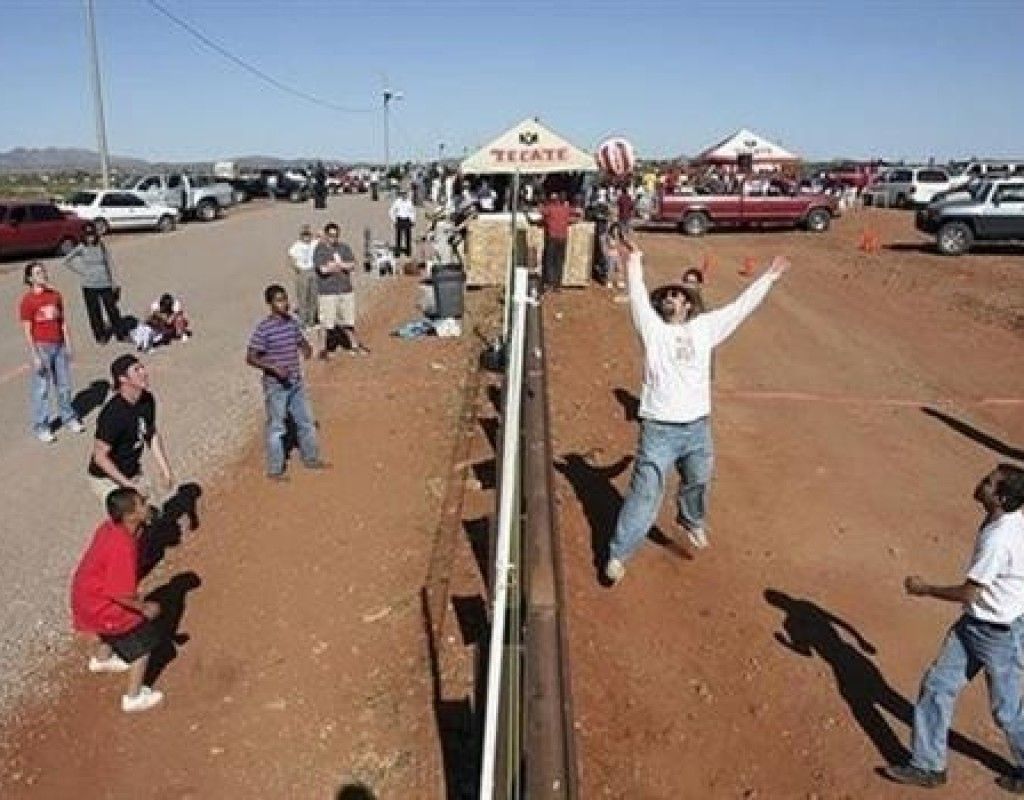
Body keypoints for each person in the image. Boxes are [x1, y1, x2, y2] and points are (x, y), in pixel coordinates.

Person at [605, 237, 788, 584]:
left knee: (699, 479)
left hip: (697, 428)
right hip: (659, 429)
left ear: (689, 305)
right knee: (645, 495)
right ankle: (618, 553)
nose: (672, 298)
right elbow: (638, 296)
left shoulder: (705, 329)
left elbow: (740, 308)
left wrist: (768, 277)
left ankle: (691, 521)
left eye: (679, 296)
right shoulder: (653, 330)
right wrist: (635, 259)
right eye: (668, 295)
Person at [882, 465, 1024, 792]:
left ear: (1002, 498)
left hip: (997, 634)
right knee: (937, 686)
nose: (981, 483)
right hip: (974, 625)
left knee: (1006, 711)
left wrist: (925, 589)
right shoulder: (1008, 518)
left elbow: (969, 592)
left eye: (988, 483)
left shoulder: (999, 538)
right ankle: (927, 766)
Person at [70, 487, 166, 713]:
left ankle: (102, 660)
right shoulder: (123, 547)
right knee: (142, 645)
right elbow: (119, 594)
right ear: (130, 515)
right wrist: (143, 607)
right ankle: (133, 697)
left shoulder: (109, 528)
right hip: (102, 605)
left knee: (109, 630)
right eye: (141, 503)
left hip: (85, 598)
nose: (146, 503)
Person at [246, 284, 325, 480]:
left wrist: (306, 348)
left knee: (306, 421)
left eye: (285, 299)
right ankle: (275, 469)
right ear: (270, 304)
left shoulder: (291, 323)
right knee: (277, 427)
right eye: (279, 300)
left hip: (295, 382)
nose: (285, 304)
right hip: (276, 386)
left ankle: (311, 457)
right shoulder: (264, 329)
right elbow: (251, 357)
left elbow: (299, 340)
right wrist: (273, 368)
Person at [87, 354, 174, 507]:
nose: (144, 372)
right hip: (107, 479)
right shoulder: (113, 414)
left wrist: (165, 469)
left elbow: (151, 434)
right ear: (123, 379)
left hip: (132, 472)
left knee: (151, 512)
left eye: (142, 367)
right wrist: (129, 486)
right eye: (136, 370)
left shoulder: (147, 400)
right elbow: (100, 457)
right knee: (131, 516)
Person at [19, 262, 85, 442]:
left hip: (59, 346)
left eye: (43, 271)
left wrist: (68, 343)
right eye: (38, 273)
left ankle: (68, 417)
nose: (43, 275)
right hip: (42, 347)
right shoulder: (27, 301)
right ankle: (42, 426)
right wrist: (35, 355)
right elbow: (27, 330)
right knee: (42, 389)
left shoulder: (55, 295)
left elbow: (62, 321)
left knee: (64, 385)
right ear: (30, 279)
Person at [62, 223, 124, 344]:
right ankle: (100, 335)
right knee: (94, 312)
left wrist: (114, 282)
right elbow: (66, 260)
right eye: (87, 235)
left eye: (92, 235)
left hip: (105, 283)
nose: (90, 238)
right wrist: (82, 271)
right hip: (89, 285)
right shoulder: (81, 247)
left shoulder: (101, 245)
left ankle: (120, 333)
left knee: (112, 309)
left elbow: (109, 262)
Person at [313, 222, 368, 357]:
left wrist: (336, 265)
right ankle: (323, 349)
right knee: (326, 323)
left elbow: (353, 264)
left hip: (345, 290)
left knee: (348, 320)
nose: (334, 238)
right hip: (328, 292)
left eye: (336, 235)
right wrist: (340, 266)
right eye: (331, 236)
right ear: (326, 235)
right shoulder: (319, 250)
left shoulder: (344, 247)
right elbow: (323, 269)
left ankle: (354, 345)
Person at [535, 192, 578, 292]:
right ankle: (557, 284)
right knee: (559, 261)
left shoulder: (550, 208)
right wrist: (570, 220)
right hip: (562, 238)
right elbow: (577, 214)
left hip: (552, 237)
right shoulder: (566, 209)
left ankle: (549, 283)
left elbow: (541, 212)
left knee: (549, 260)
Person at [288, 224, 319, 330]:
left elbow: (323, 239)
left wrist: (318, 234)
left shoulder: (314, 243)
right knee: (303, 297)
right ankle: (303, 322)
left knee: (313, 297)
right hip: (303, 271)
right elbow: (291, 257)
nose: (306, 237)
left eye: (308, 234)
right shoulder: (296, 246)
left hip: (313, 270)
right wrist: (297, 268)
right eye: (304, 235)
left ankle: (311, 321)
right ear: (301, 235)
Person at [389, 189, 416, 257]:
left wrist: (412, 220)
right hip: (400, 219)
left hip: (407, 220)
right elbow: (391, 211)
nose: (404, 195)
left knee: (408, 237)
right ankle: (397, 252)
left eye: (405, 193)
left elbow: (412, 211)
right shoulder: (397, 201)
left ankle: (408, 251)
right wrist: (394, 219)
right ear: (401, 194)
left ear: (406, 194)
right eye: (402, 193)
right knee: (398, 237)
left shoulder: (409, 202)